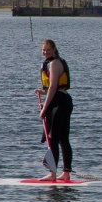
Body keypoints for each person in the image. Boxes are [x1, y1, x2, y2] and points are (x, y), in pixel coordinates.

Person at [34, 39, 73, 181]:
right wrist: (42, 92)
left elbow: (53, 87)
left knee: (54, 138)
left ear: (54, 49)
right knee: (62, 138)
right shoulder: (49, 63)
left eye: (48, 49)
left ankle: (53, 173)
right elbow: (53, 89)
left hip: (60, 103)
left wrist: (44, 108)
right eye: (43, 50)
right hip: (61, 101)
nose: (45, 52)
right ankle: (66, 173)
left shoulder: (55, 63)